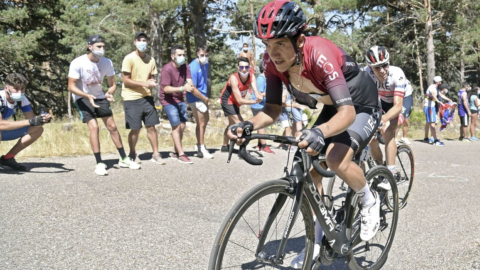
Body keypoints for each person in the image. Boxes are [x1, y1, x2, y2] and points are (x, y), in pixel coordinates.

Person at [230, 1, 383, 267]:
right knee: (311, 165)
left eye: (279, 44)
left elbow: (346, 114)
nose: (272, 53)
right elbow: (273, 109)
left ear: (299, 40)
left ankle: (369, 199)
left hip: (360, 104)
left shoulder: (318, 53)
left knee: (336, 159)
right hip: (333, 105)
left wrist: (320, 132)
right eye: (267, 45)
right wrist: (249, 125)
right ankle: (318, 238)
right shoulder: (271, 62)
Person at [68, 35, 140, 176]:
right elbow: (71, 86)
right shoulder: (78, 63)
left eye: (103, 46)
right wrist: (87, 95)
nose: (102, 49)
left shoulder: (107, 62)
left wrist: (109, 93)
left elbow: (112, 85)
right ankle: (99, 162)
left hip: (100, 97)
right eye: (99, 46)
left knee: (112, 127)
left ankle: (123, 158)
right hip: (82, 97)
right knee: (94, 127)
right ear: (90, 47)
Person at [160, 45, 210, 164]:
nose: (182, 57)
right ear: (173, 56)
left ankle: (175, 151)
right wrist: (183, 88)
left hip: (179, 99)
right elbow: (166, 89)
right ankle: (181, 154)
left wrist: (190, 87)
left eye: (183, 55)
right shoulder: (167, 69)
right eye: (180, 55)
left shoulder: (185, 67)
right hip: (168, 100)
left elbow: (190, 83)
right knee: (176, 126)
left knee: (182, 126)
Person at [365, 45, 406, 187]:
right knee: (370, 139)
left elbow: (398, 106)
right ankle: (381, 169)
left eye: (384, 65)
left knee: (388, 132)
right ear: (370, 68)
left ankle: (391, 174)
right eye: (377, 67)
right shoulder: (366, 73)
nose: (382, 70)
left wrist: (384, 119)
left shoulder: (397, 74)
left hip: (401, 102)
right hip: (382, 102)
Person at [121, 32, 165, 165]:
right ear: (134, 42)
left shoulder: (151, 60)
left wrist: (152, 83)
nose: (142, 42)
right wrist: (144, 83)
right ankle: (132, 153)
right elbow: (126, 80)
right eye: (139, 40)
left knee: (151, 127)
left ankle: (156, 154)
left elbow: (151, 78)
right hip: (131, 98)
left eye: (144, 40)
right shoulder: (129, 58)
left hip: (147, 97)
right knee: (135, 128)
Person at [0, 73, 52, 171]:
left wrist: (42, 119)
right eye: (16, 88)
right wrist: (30, 121)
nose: (19, 92)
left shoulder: (22, 99)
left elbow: (32, 122)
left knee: (37, 129)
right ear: (6, 88)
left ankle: (8, 158)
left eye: (22, 89)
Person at [220, 57, 263, 152]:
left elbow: (256, 91)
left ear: (249, 67)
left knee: (232, 124)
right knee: (241, 124)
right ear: (237, 67)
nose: (244, 69)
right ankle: (242, 149)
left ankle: (224, 146)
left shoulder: (252, 76)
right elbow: (239, 100)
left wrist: (258, 95)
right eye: (241, 67)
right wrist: (255, 101)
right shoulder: (233, 78)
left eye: (246, 67)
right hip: (228, 101)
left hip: (235, 102)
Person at [187, 45, 214, 159]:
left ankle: (198, 144)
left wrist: (205, 96)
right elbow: (192, 87)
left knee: (204, 120)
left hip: (202, 96)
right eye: (202, 55)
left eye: (207, 55)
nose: (204, 57)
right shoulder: (193, 67)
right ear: (198, 53)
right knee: (201, 123)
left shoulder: (206, 64)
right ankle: (201, 148)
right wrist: (204, 99)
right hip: (195, 96)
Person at [250, 65, 274, 154]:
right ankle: (264, 146)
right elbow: (259, 93)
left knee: (261, 125)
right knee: (262, 125)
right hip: (257, 105)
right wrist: (272, 93)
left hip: (261, 104)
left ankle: (259, 144)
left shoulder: (265, 78)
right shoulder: (261, 78)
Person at [423, 76, 444, 145]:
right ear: (438, 82)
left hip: (429, 106)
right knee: (433, 124)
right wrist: (438, 101)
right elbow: (432, 94)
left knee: (428, 123)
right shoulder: (432, 87)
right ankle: (435, 140)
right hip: (430, 107)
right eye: (440, 81)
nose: (441, 82)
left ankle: (426, 138)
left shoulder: (436, 88)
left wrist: (449, 100)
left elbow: (440, 94)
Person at [396, 79, 414, 145]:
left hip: (408, 103)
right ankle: (394, 138)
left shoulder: (407, 81)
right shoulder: (398, 81)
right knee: (399, 121)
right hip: (402, 102)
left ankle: (404, 137)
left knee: (406, 121)